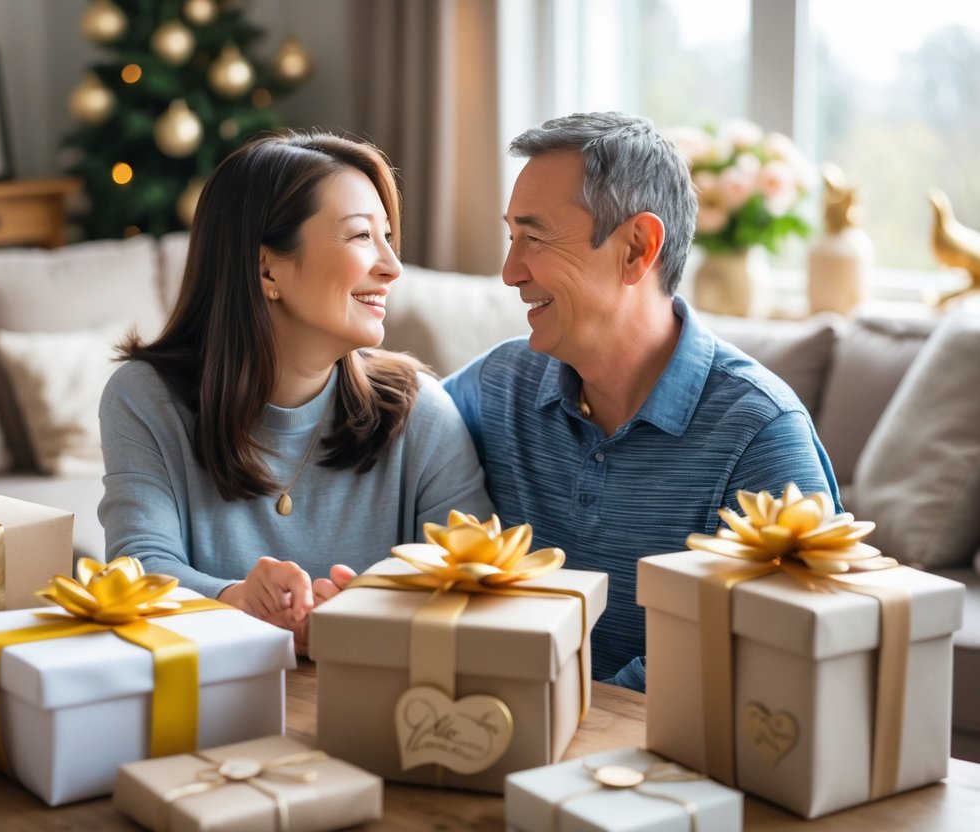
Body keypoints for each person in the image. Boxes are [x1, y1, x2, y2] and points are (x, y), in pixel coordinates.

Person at [443, 112, 839, 692]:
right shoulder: (502, 382)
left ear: (637, 248)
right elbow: (382, 426)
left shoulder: (760, 434)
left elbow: (780, 658)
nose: (509, 272)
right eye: (511, 238)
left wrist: (563, 712)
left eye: (534, 237)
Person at [99, 132, 493, 652]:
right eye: (360, 236)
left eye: (388, 236)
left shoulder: (420, 410)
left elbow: (479, 583)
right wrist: (237, 599)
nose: (392, 266)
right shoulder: (145, 398)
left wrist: (370, 613)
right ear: (267, 268)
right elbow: (138, 566)